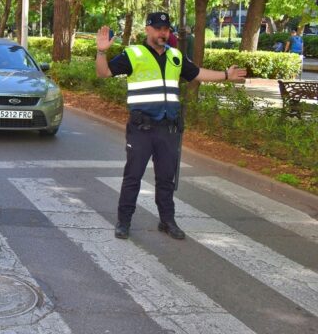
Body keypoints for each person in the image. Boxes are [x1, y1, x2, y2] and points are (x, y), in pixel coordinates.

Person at [96, 12, 246, 241]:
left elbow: (196, 73)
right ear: (148, 29)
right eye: (158, 28)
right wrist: (101, 52)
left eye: (166, 29)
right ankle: (123, 222)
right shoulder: (134, 54)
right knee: (133, 176)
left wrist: (226, 75)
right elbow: (103, 73)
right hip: (141, 130)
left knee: (166, 178)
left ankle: (167, 221)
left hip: (168, 129)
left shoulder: (176, 56)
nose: (162, 32)